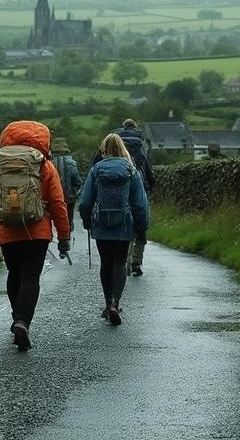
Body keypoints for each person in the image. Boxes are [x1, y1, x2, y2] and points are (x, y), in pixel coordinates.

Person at [0, 120, 72, 351]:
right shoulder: (44, 165)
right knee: (30, 276)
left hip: (7, 230)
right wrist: (64, 236)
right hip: (38, 231)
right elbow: (58, 203)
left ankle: (16, 319)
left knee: (14, 274)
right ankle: (23, 321)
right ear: (42, 140)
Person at [79, 133, 150, 325]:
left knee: (106, 262)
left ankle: (108, 301)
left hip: (101, 222)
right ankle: (115, 304)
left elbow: (85, 201)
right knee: (120, 262)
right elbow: (140, 203)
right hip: (124, 223)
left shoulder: (96, 169)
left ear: (103, 149)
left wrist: (86, 219)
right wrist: (142, 226)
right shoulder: (130, 170)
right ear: (122, 149)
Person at [92, 118, 154, 275]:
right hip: (138, 190)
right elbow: (149, 174)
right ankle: (136, 262)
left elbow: (95, 167)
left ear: (122, 128)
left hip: (114, 197)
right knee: (139, 227)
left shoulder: (110, 143)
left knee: (123, 224)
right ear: (136, 128)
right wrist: (149, 188)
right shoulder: (141, 150)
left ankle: (123, 262)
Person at [51, 137, 82, 240]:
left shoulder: (48, 163)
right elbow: (77, 181)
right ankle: (66, 238)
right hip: (69, 197)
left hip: (53, 198)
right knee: (68, 217)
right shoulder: (71, 162)